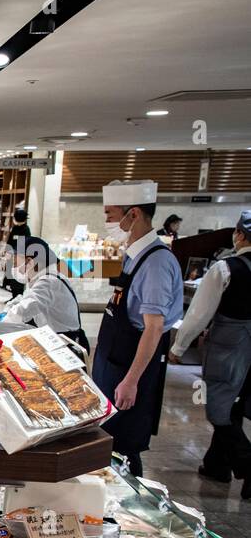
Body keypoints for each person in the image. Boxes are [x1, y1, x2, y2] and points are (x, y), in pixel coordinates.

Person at [90, 179, 185, 478]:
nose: (107, 221)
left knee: (124, 448)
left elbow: (154, 328)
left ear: (133, 214)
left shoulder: (156, 262)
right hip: (114, 365)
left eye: (110, 214)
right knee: (109, 443)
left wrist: (131, 380)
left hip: (129, 370)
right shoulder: (134, 256)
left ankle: (134, 510)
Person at [168, 209, 251, 492]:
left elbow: (199, 312)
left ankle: (247, 464)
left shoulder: (225, 268)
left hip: (229, 344)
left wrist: (179, 345)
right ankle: (217, 465)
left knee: (218, 408)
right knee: (236, 406)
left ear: (239, 234)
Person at [1, 236, 89, 351]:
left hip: (65, 345)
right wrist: (8, 308)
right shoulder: (41, 278)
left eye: (16, 262)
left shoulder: (48, 281)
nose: (13, 268)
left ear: (29, 262)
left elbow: (26, 308)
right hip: (54, 339)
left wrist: (2, 326)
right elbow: (24, 299)